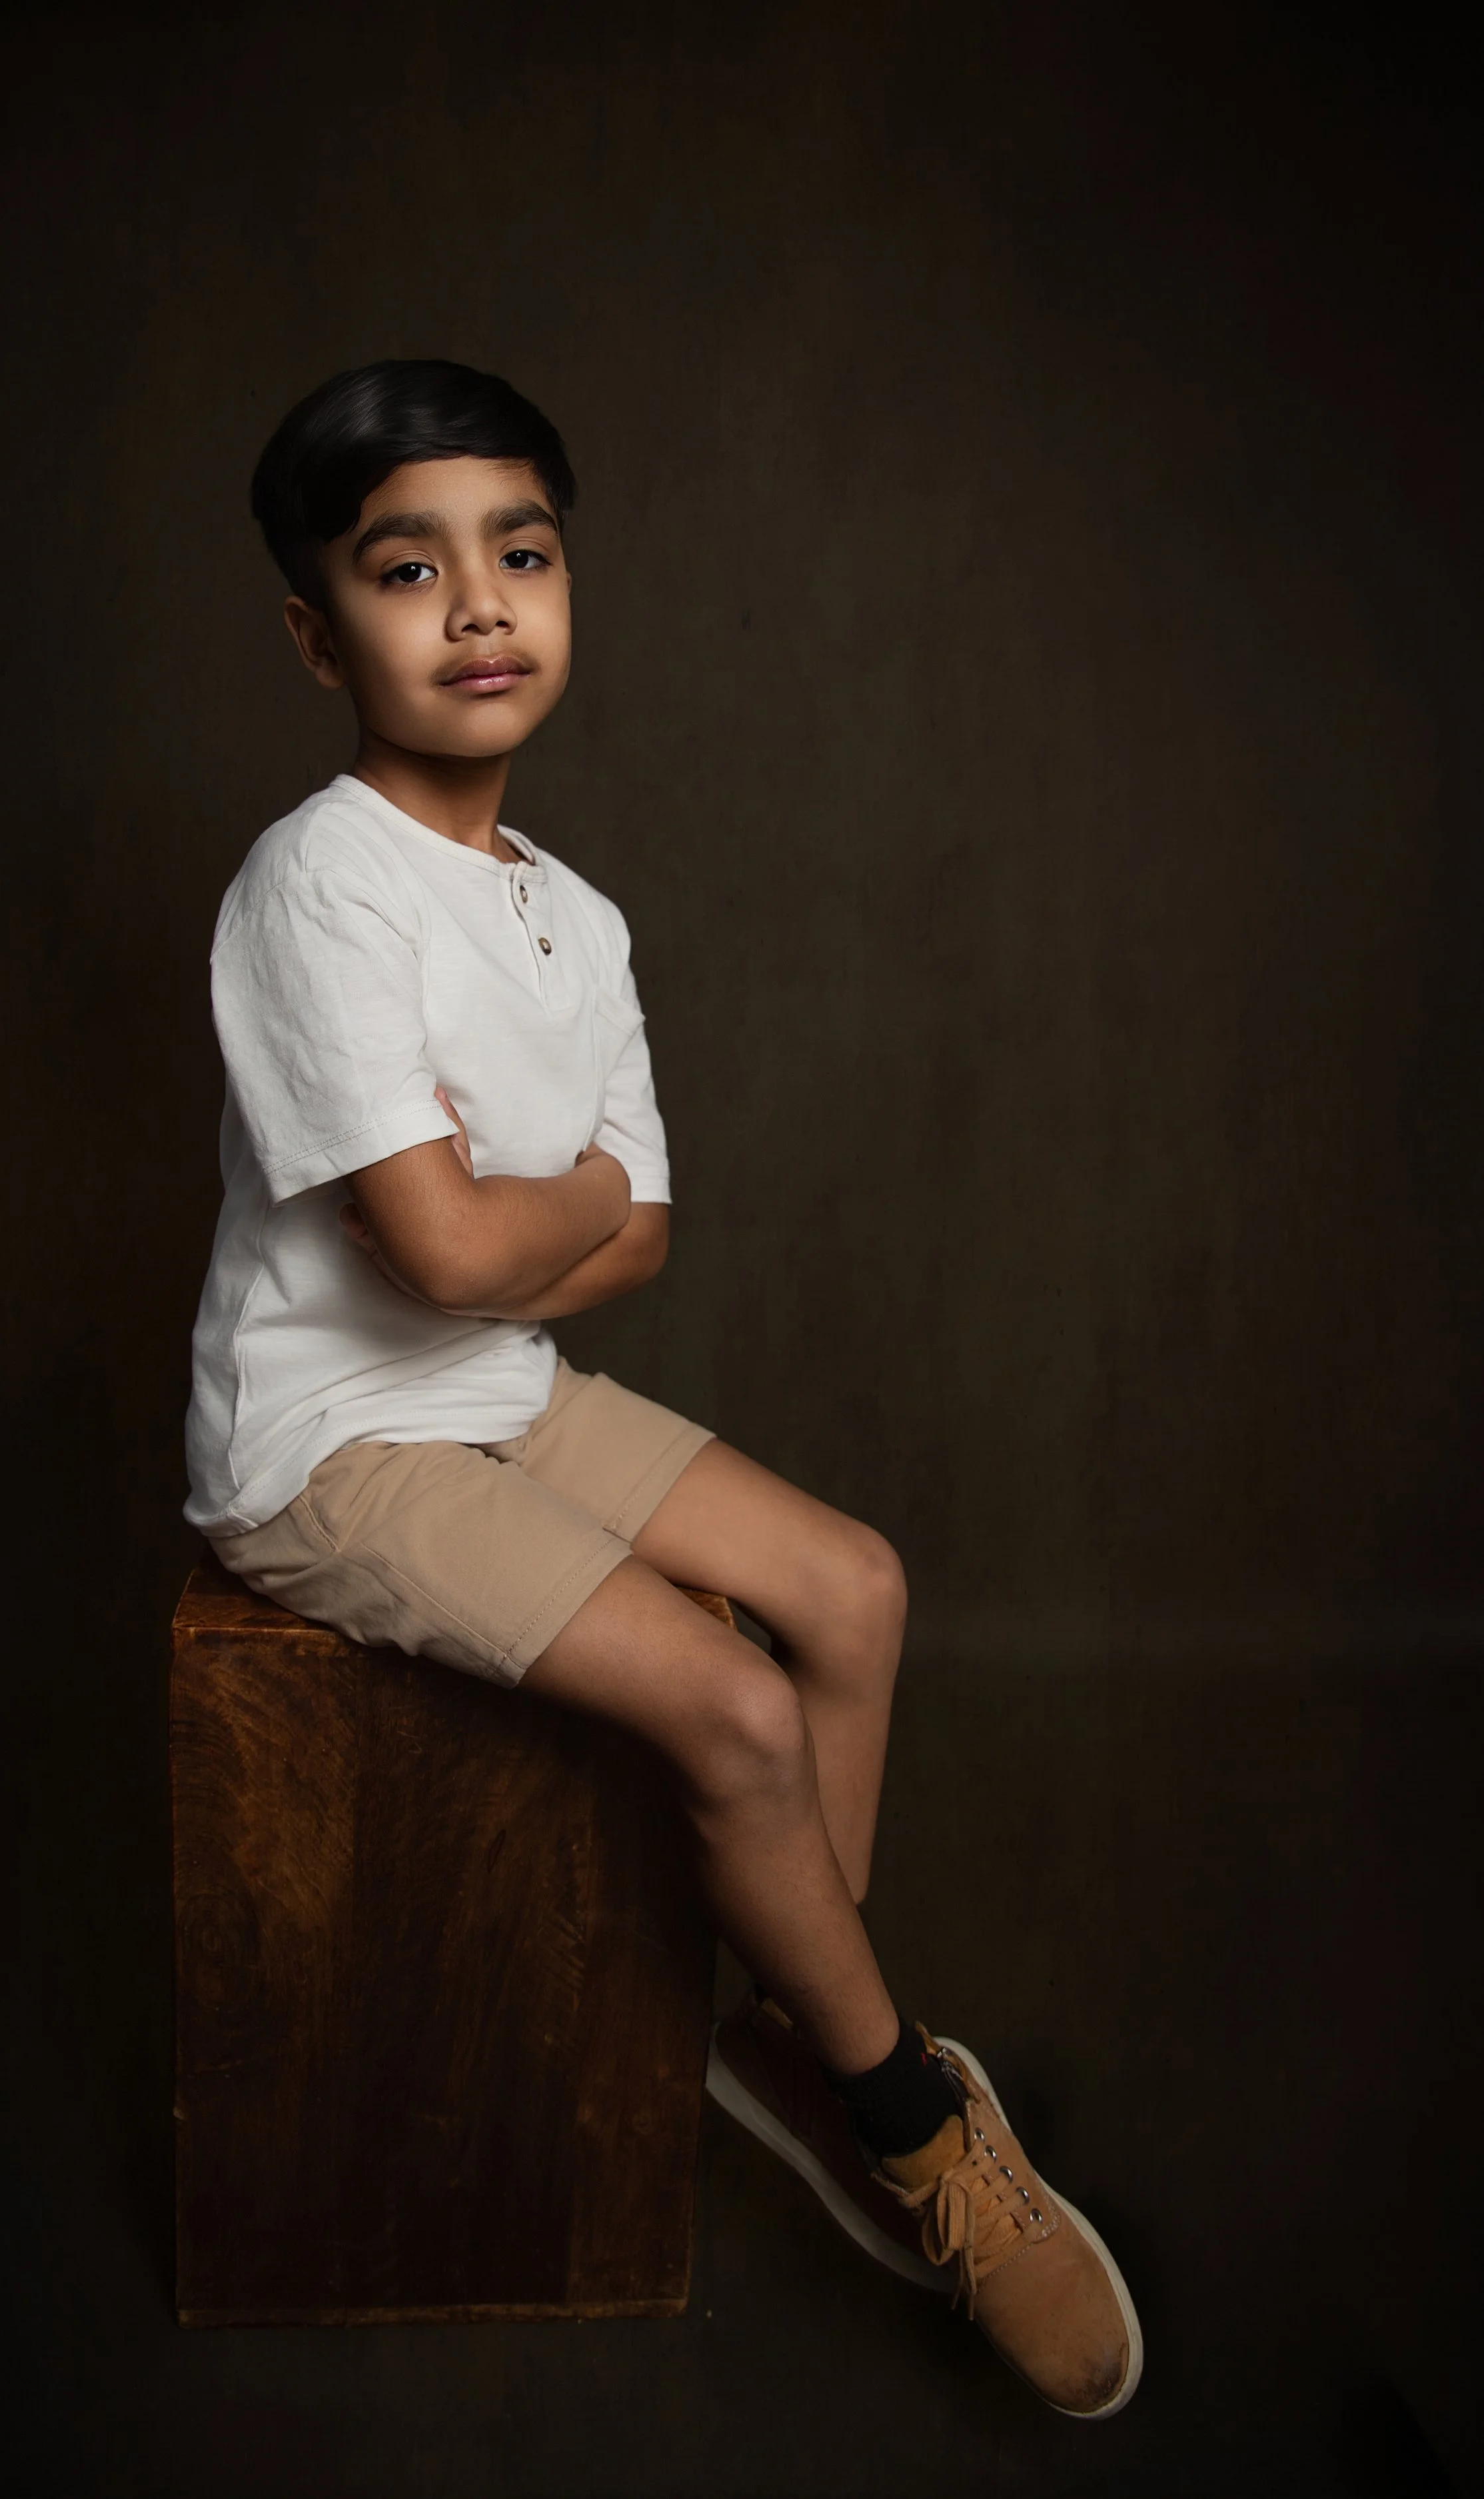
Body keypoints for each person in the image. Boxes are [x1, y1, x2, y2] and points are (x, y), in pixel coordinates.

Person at [184, 359, 1141, 2420]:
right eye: (404, 567)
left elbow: (640, 1234)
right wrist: (555, 1199)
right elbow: (432, 1253)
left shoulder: (576, 914)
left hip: (499, 1388)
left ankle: (784, 2033)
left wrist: (535, 1204)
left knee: (853, 1590)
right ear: (313, 630)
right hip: (328, 1437)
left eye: (517, 555)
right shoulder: (314, 883)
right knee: (732, 1702)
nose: (475, 607)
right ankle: (908, 2129)